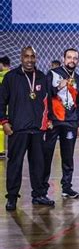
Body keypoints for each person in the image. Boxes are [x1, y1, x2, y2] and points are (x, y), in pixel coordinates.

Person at [0, 46, 54, 211]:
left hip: (38, 129)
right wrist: (4, 122)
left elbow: (48, 101)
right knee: (15, 164)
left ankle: (38, 195)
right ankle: (12, 198)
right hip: (18, 129)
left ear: (35, 58)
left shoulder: (43, 77)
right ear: (21, 57)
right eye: (26, 56)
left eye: (32, 57)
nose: (29, 60)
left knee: (38, 165)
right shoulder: (11, 77)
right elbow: (1, 101)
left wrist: (49, 120)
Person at [43, 48, 79, 199]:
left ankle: (67, 188)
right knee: (46, 155)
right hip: (53, 121)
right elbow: (46, 96)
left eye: (75, 58)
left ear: (78, 61)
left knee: (68, 157)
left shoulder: (78, 80)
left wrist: (78, 124)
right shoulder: (52, 74)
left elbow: (78, 104)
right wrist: (59, 87)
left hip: (70, 122)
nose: (72, 60)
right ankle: (42, 189)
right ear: (63, 58)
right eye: (69, 57)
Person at [0, 55, 11, 158]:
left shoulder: (2, 76)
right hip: (13, 110)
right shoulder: (15, 75)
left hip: (2, 109)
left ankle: (1, 150)